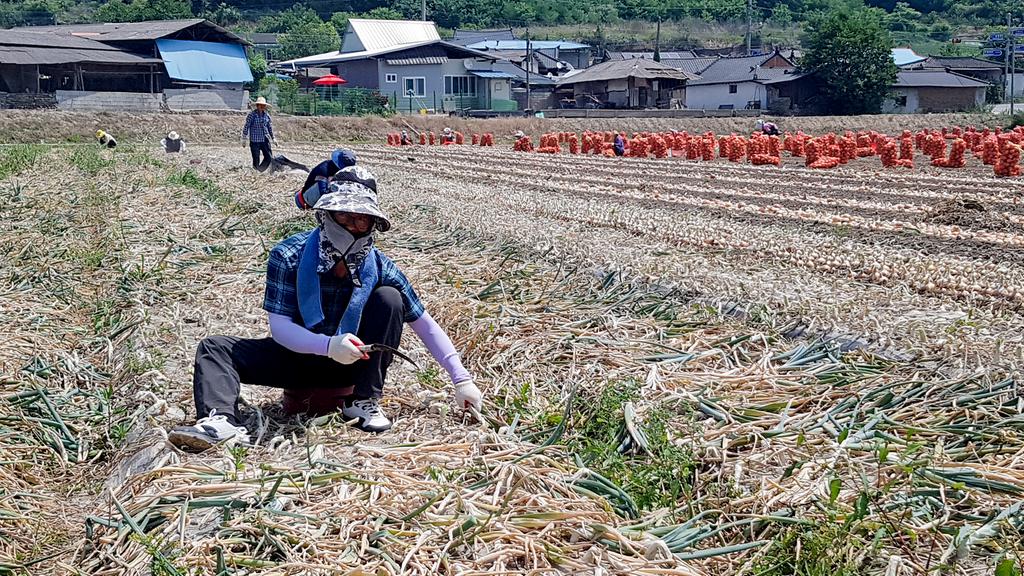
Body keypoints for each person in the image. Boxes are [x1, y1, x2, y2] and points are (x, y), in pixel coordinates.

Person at [168, 175, 483, 451]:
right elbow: (280, 328)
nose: (353, 227)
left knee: (390, 299)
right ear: (326, 215)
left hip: (354, 362)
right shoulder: (288, 255)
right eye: (344, 216)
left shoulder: (380, 266)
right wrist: (327, 346)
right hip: (295, 357)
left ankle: (363, 401)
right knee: (215, 348)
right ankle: (221, 423)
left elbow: (424, 323)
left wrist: (461, 379)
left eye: (362, 220)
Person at [243, 97, 275, 172]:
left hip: (265, 139)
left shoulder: (266, 116)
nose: (262, 107)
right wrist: (244, 137)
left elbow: (269, 127)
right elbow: (246, 126)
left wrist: (273, 138)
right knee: (256, 159)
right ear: (257, 106)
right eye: (260, 105)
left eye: (263, 106)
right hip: (255, 140)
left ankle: (259, 171)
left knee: (269, 157)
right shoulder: (252, 115)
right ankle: (256, 171)